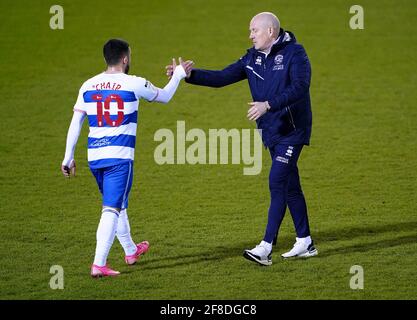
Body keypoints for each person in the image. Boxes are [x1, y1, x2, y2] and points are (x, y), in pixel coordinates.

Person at [166, 12, 317, 266]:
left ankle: (266, 248)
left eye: (254, 31)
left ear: (270, 32)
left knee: (277, 181)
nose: (250, 35)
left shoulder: (295, 53)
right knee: (290, 185)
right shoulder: (252, 58)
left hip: (293, 130)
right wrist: (187, 76)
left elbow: (301, 87)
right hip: (271, 131)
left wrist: (268, 104)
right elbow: (222, 77)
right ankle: (305, 242)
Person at [61, 39, 194, 277]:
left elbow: (76, 121)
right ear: (125, 59)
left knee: (119, 203)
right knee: (110, 208)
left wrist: (68, 157)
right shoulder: (134, 83)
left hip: (95, 157)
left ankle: (131, 250)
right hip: (119, 158)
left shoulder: (88, 85)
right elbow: (164, 96)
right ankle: (98, 263)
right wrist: (180, 75)